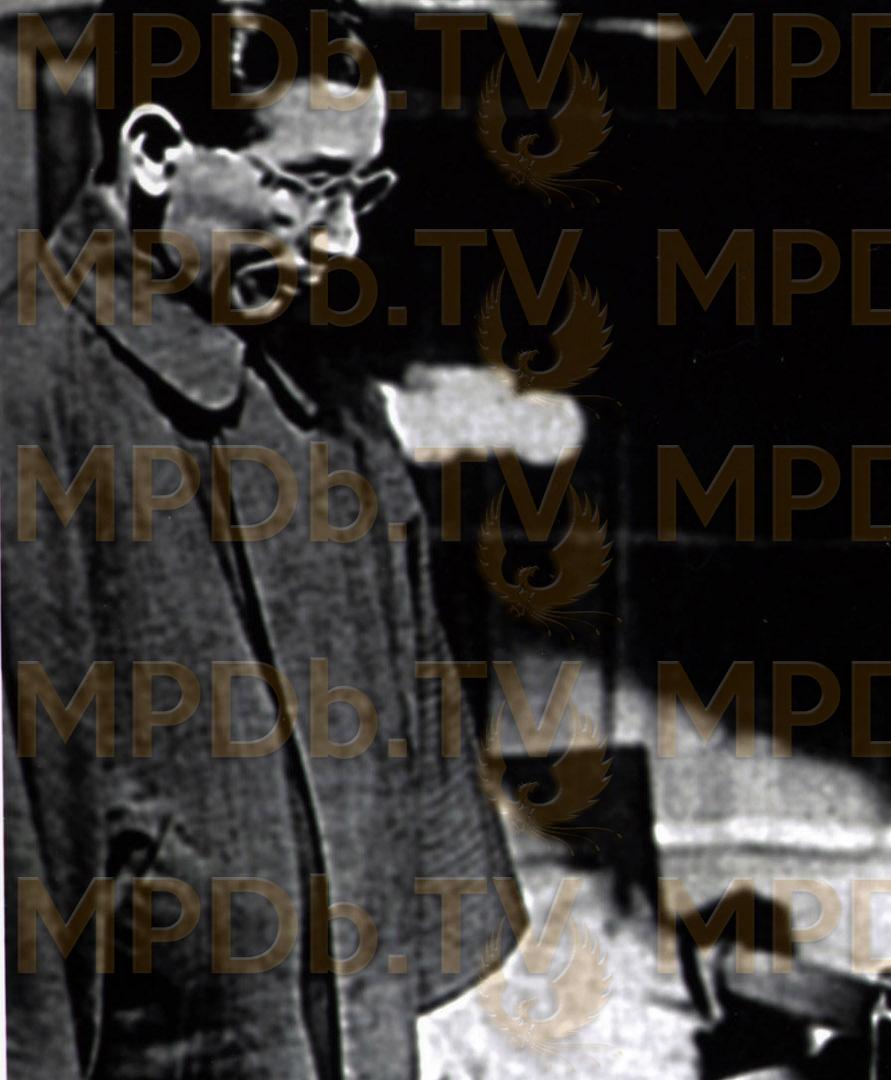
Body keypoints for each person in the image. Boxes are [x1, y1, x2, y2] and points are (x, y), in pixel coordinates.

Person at [3, 3, 518, 1076]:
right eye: (306, 184)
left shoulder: (330, 402)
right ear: (156, 152)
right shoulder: (28, 401)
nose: (344, 240)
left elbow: (419, 782)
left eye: (362, 189)